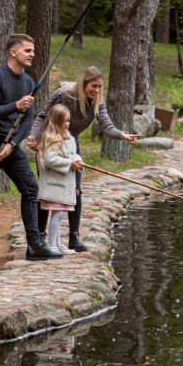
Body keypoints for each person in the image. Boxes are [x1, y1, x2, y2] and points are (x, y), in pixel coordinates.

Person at [0, 34, 62, 269]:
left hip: (10, 147)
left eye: (33, 50)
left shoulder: (29, 82)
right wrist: (15, 105)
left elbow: (27, 121)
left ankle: (34, 244)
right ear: (13, 52)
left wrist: (12, 145)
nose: (32, 54)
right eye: (28, 50)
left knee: (31, 189)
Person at [28, 66, 138, 252]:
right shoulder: (64, 95)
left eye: (100, 86)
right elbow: (42, 116)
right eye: (93, 86)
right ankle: (40, 238)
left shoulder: (98, 102)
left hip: (71, 145)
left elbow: (107, 127)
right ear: (83, 83)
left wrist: (123, 135)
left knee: (75, 190)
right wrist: (33, 137)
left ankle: (73, 237)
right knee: (47, 193)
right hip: (51, 143)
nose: (96, 90)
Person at [35, 104, 84, 255]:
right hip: (54, 184)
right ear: (55, 121)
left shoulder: (69, 137)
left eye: (68, 120)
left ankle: (57, 243)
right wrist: (70, 163)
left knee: (60, 212)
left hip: (64, 184)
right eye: (63, 121)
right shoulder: (51, 138)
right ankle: (52, 245)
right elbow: (50, 159)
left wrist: (77, 160)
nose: (67, 124)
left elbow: (72, 154)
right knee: (57, 213)